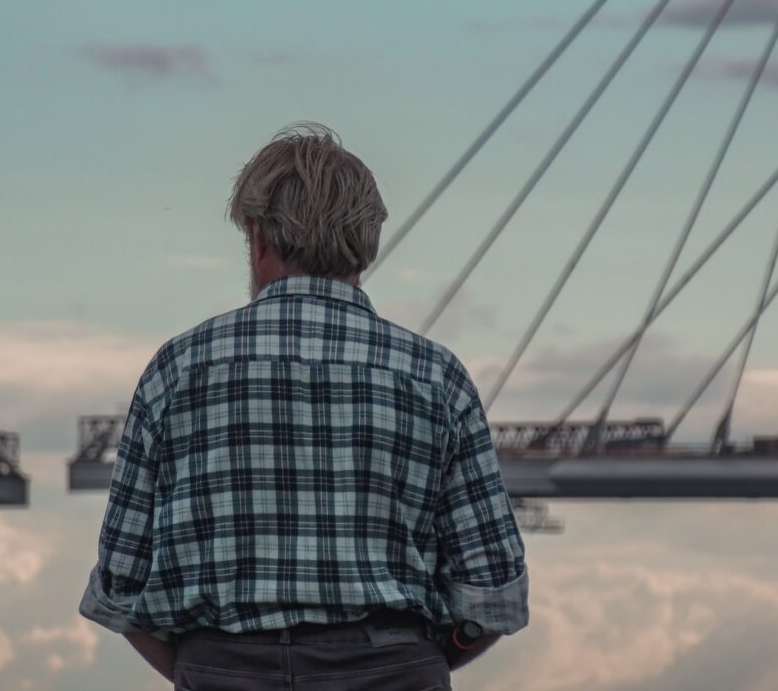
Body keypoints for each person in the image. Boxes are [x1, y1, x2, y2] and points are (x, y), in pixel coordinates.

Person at [80, 124, 528, 689]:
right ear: (368, 243)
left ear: (259, 238)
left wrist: (205, 668)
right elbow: (495, 592)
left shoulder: (178, 370)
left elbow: (121, 586)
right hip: (394, 670)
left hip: (223, 667)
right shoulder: (436, 377)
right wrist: (419, 662)